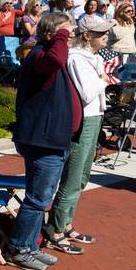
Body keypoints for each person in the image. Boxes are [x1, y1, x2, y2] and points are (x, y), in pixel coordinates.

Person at [4, 12, 74, 270]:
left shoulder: (46, 57)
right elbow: (55, 57)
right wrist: (61, 36)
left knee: (41, 198)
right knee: (36, 199)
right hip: (42, 140)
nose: (70, 37)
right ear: (50, 36)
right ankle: (18, 248)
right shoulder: (40, 57)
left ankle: (30, 245)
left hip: (50, 139)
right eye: (65, 34)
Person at [44, 17, 113, 253]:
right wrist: (104, 80)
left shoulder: (93, 58)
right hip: (83, 120)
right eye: (100, 32)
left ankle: (66, 223)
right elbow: (87, 92)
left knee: (82, 176)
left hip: (95, 117)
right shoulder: (77, 59)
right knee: (73, 176)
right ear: (87, 35)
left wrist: (101, 76)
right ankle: (54, 229)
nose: (106, 35)